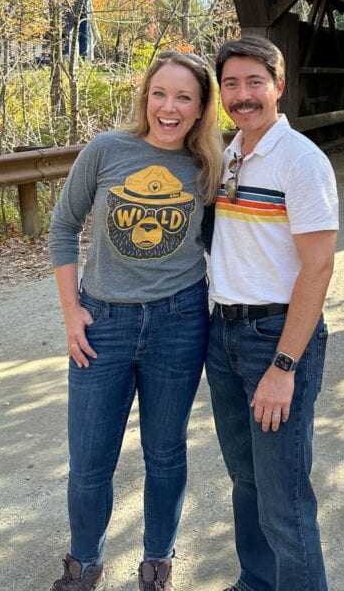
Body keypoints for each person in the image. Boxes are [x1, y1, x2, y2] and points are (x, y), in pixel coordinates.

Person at [48, 50, 223, 591]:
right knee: (89, 460)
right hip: (103, 322)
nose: (168, 108)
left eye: (183, 98)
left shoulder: (210, 165)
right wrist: (72, 310)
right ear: (146, 97)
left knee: (166, 453)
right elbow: (61, 227)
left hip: (180, 320)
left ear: (201, 109)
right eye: (159, 94)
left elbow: (228, 243)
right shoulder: (106, 150)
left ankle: (157, 565)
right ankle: (84, 565)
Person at [206, 35, 339, 591]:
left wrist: (283, 368)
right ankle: (257, 582)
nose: (242, 95)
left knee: (284, 498)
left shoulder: (301, 161)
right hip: (223, 334)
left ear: (279, 87)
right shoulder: (227, 153)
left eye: (254, 82)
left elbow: (319, 268)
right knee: (245, 480)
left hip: (273, 338)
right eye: (231, 84)